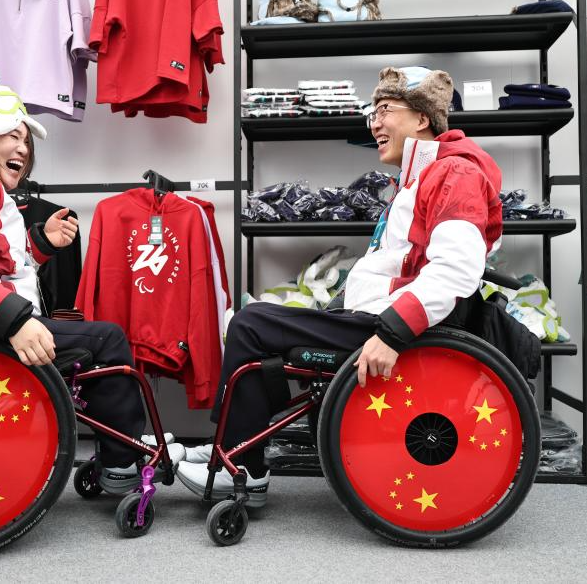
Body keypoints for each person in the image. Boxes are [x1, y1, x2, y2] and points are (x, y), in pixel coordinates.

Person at [176, 66, 503, 507]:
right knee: (256, 322)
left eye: (385, 110)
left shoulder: (454, 174)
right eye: (373, 112)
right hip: (378, 318)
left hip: (396, 331)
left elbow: (457, 268)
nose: (374, 123)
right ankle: (233, 445)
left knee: (251, 324)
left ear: (423, 117)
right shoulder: (419, 177)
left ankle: (241, 462)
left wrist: (392, 333)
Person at [0, 69, 182, 493]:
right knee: (108, 339)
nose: (24, 149)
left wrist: (40, 243)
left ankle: (119, 445)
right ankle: (122, 461)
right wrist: (15, 321)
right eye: (13, 135)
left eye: (26, 140)